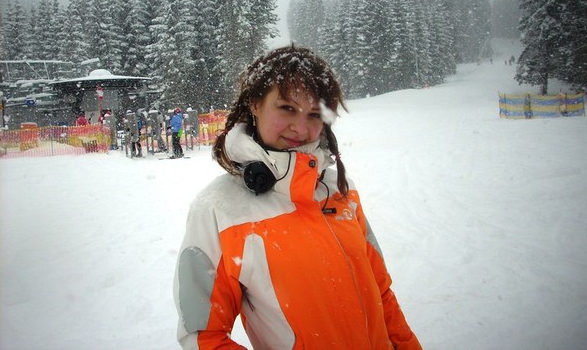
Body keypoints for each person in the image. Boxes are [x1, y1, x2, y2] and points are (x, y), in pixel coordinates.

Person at [174, 46, 421, 349]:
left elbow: (381, 293)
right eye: (287, 108)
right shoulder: (219, 210)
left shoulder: (341, 191)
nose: (301, 128)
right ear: (255, 103)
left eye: (314, 114)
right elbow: (203, 337)